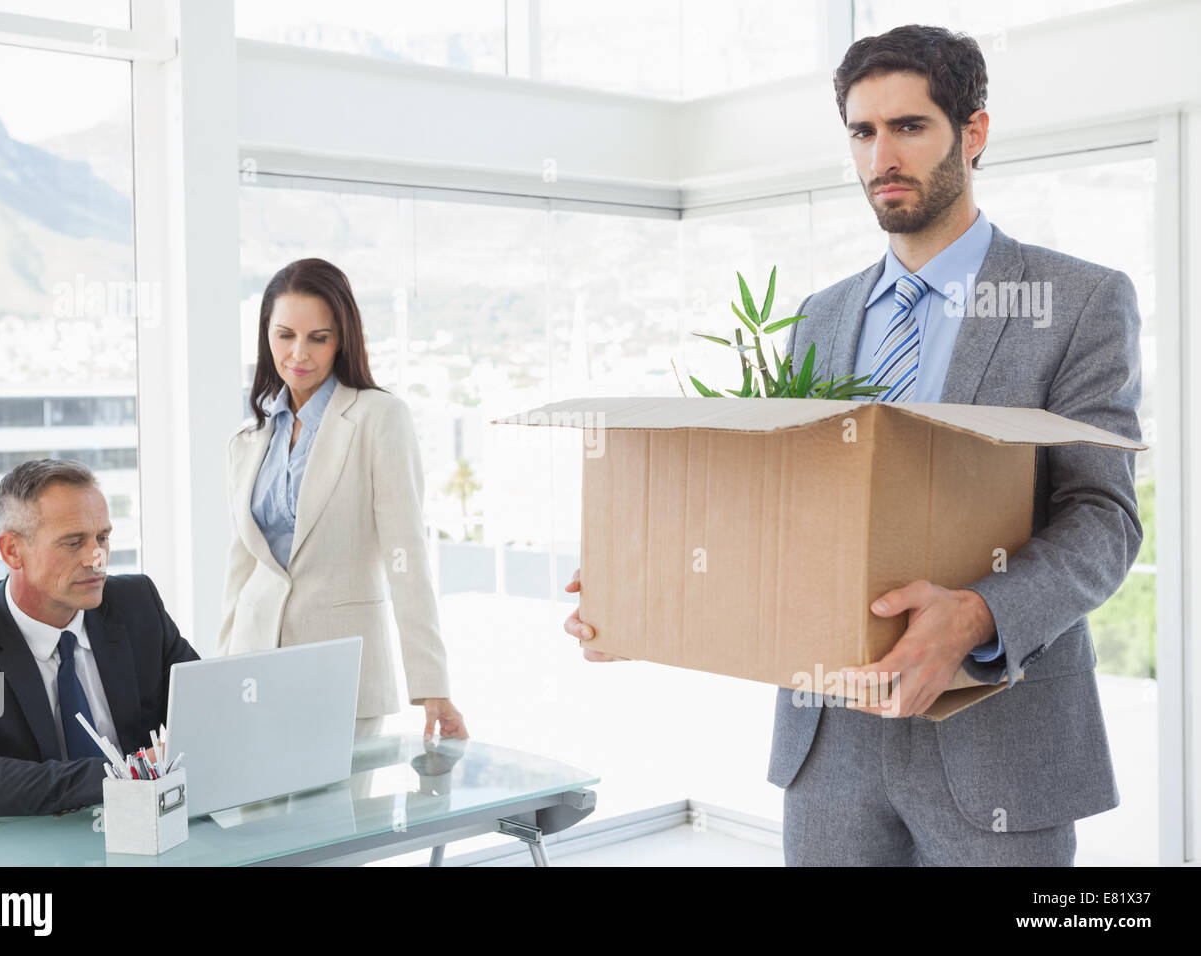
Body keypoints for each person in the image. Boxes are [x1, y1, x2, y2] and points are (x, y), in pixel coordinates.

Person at [564, 24, 1141, 866]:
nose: (882, 157)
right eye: (863, 132)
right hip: (827, 747)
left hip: (1001, 740)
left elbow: (1104, 517)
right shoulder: (820, 318)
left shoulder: (1078, 300)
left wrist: (978, 615)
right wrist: (647, 592)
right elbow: (783, 509)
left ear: (973, 133)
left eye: (909, 126)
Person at [220, 257, 467, 743]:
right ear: (266, 335)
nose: (299, 353)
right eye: (285, 335)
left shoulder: (379, 417)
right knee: (253, 796)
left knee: (339, 798)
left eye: (319, 337)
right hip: (252, 670)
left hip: (342, 673)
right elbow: (240, 569)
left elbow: (407, 558)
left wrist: (431, 685)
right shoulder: (247, 440)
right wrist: (221, 672)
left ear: (342, 340)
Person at [0, 460, 199, 818]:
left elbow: (209, 712)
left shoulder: (137, 605)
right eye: (73, 542)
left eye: (102, 538)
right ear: (12, 551)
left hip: (146, 831)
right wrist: (122, 775)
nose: (97, 559)